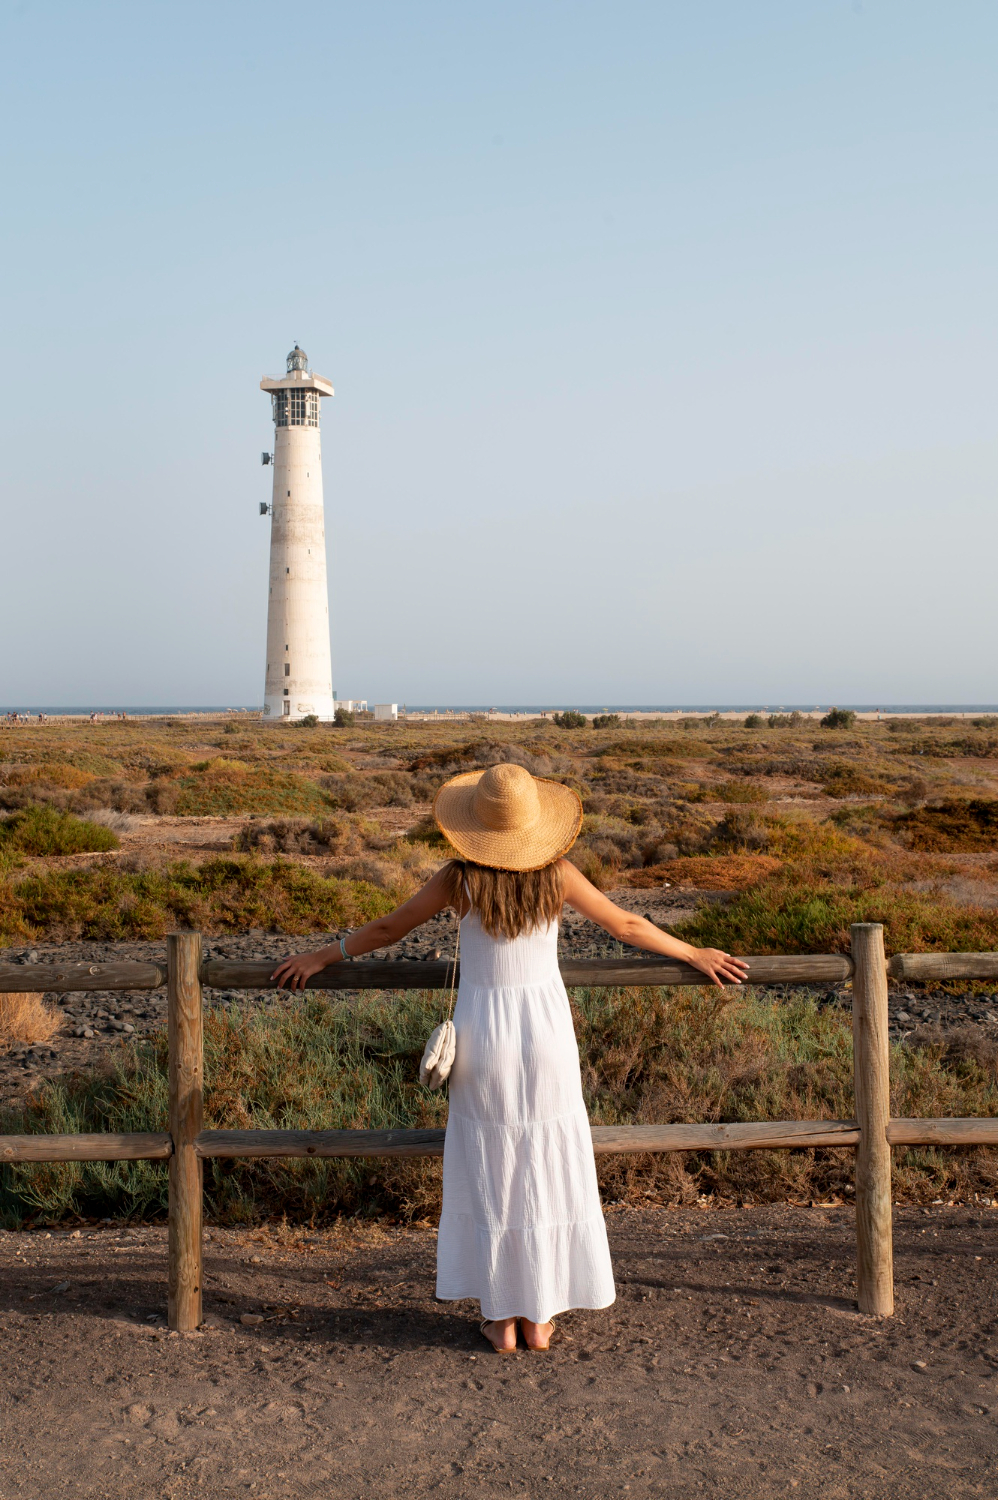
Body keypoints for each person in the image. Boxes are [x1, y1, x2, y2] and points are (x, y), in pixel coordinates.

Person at [272, 762, 748, 1353]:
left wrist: (322, 955)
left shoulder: (459, 879)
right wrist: (693, 951)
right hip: (545, 1030)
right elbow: (626, 925)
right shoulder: (558, 875)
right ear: (533, 825)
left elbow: (390, 928)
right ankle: (539, 1316)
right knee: (546, 1158)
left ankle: (501, 1318)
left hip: (484, 1031)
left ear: (477, 826)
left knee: (491, 1162)